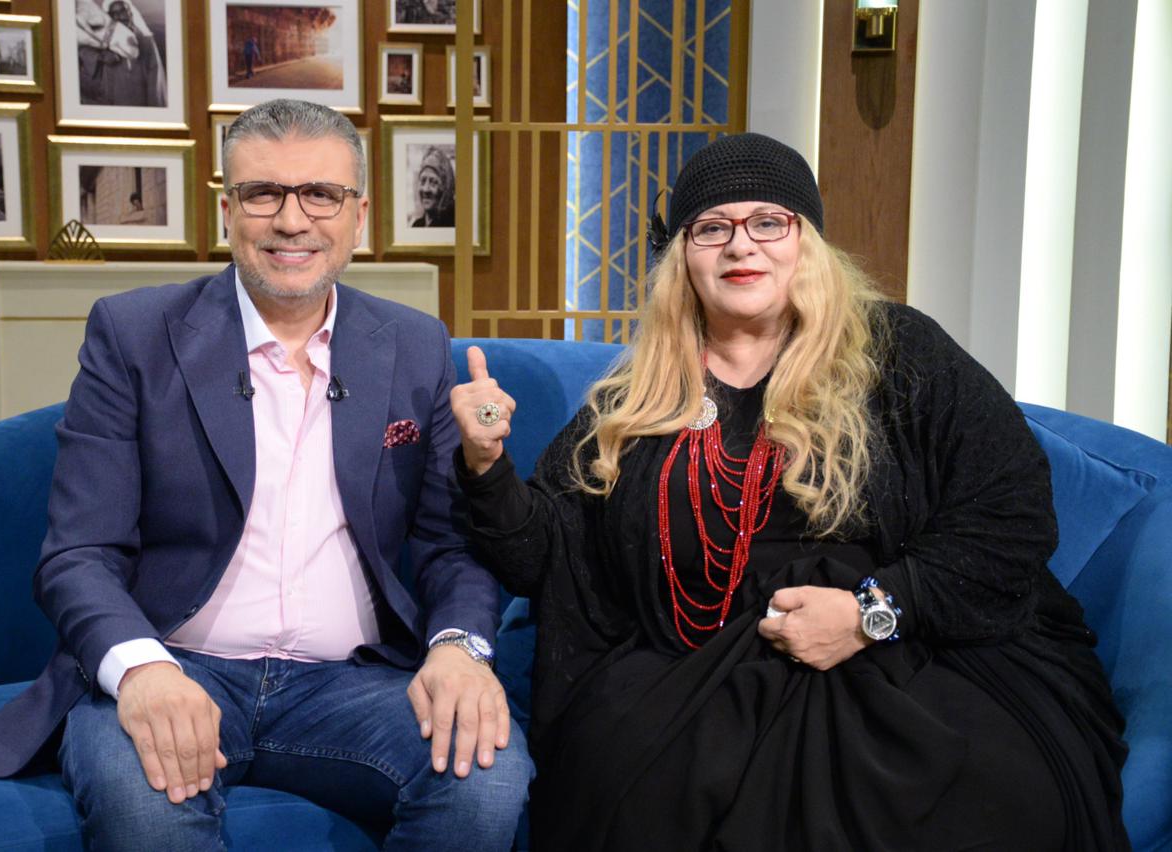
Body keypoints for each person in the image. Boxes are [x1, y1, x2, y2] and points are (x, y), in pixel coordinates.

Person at [450, 132, 1128, 850]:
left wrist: (873, 611)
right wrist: (486, 464)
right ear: (682, 257)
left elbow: (1012, 507)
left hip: (899, 653)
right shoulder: (639, 392)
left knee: (976, 798)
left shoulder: (898, 350)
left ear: (807, 243)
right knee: (629, 784)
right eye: (712, 228)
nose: (740, 246)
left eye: (767, 222)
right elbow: (544, 558)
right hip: (689, 676)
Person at [0, 98, 531, 851]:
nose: (292, 221)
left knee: (487, 781)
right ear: (228, 210)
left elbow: (449, 546)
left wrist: (459, 646)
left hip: (352, 684)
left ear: (359, 216)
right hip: (175, 663)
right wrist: (142, 670)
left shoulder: (415, 345)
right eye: (264, 193)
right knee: (146, 812)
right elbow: (79, 553)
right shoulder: (133, 334)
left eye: (320, 194)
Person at [410, 147, 455, 228]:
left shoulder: (452, 223)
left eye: (433, 182)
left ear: (445, 187)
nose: (425, 189)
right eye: (423, 181)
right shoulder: (417, 225)